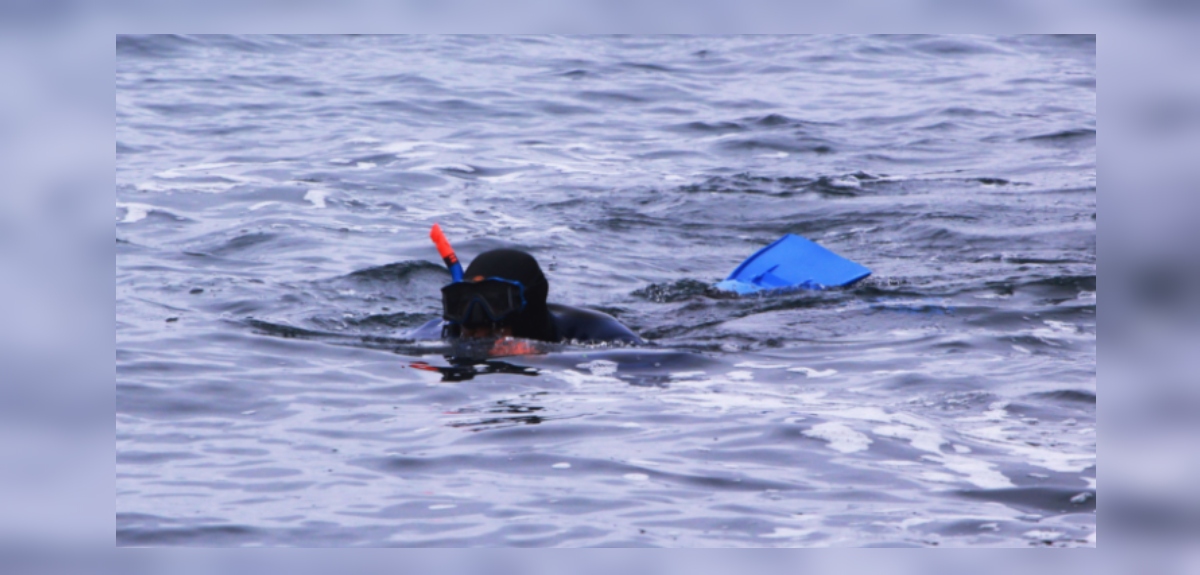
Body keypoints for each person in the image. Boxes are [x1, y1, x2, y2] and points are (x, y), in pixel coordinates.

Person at [407, 248, 644, 346]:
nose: (477, 334)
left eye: (495, 306)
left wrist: (545, 355)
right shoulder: (443, 332)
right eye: (463, 304)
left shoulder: (600, 334)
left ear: (527, 315)